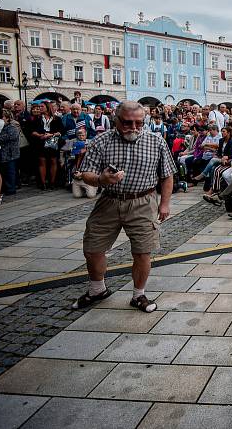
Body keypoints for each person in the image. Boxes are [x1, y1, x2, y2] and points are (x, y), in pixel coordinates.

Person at [73, 101, 175, 313]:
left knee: (142, 251)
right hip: (109, 200)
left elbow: (167, 175)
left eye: (139, 123)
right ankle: (97, 289)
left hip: (143, 202)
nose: (134, 128)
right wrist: (101, 179)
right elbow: (86, 173)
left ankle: (139, 295)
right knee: (92, 248)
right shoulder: (102, 140)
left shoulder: (156, 141)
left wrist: (164, 203)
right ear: (116, 120)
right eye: (128, 123)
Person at [25, 101, 63, 190]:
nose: (39, 108)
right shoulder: (36, 119)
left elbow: (61, 131)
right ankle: (42, 183)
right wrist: (39, 135)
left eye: (42, 106)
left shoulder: (56, 119)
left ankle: (52, 182)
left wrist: (52, 134)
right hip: (40, 142)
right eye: (39, 106)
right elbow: (31, 131)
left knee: (53, 160)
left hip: (53, 141)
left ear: (47, 107)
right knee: (42, 161)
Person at [0, 109, 21, 196]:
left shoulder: (12, 127)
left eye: (2, 117)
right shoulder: (0, 127)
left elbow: (9, 137)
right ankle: (3, 187)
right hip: (1, 153)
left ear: (7, 118)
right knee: (2, 171)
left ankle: (11, 188)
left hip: (10, 153)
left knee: (10, 171)